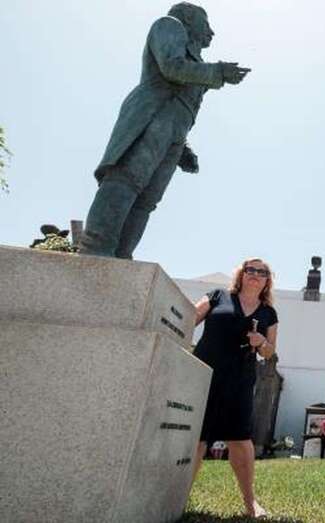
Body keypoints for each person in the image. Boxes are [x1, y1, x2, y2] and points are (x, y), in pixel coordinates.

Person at [78, 2, 250, 258]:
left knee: (147, 200)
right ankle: (96, 251)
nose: (211, 32)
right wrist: (217, 71)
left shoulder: (197, 61)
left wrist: (183, 148)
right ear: (189, 18)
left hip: (174, 134)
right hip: (151, 115)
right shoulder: (169, 25)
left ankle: (121, 257)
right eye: (206, 23)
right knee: (125, 180)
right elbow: (171, 67)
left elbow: (182, 108)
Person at [190, 258, 278, 518]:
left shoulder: (268, 313)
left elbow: (269, 351)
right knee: (196, 437)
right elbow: (191, 317)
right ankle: (178, 497)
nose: (255, 274)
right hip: (204, 374)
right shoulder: (218, 296)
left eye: (262, 272)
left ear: (266, 281)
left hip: (240, 379)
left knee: (240, 439)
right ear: (241, 274)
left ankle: (250, 503)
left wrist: (261, 340)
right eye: (251, 269)